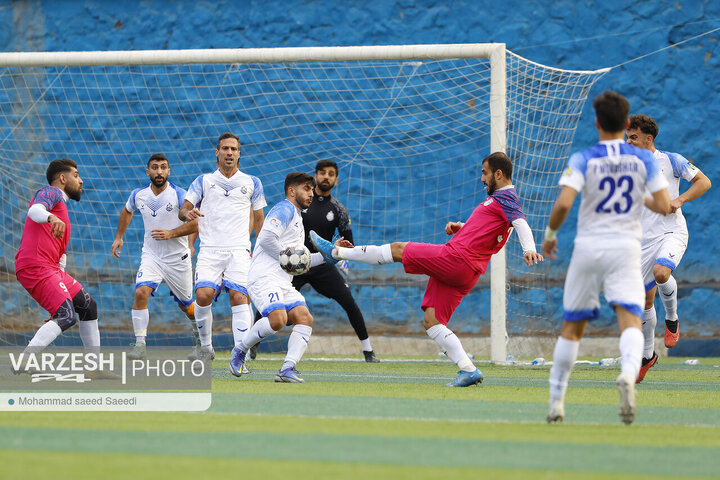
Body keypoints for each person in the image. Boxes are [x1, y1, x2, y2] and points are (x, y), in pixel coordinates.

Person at [311, 152, 544, 387]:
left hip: (456, 259)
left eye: (485, 173)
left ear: (498, 174)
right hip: (468, 270)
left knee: (398, 249)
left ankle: (336, 253)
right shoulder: (500, 202)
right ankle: (468, 369)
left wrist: (529, 249)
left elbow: (520, 222)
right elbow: (495, 232)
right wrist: (461, 227)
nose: (482, 179)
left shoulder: (507, 197)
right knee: (432, 321)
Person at [542, 92, 671, 425]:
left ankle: (556, 403)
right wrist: (636, 196)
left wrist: (550, 235)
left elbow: (564, 205)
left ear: (597, 122)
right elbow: (663, 203)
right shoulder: (644, 160)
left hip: (589, 247)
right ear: (627, 124)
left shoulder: (584, 157)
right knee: (629, 317)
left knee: (573, 326)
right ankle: (629, 374)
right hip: (626, 248)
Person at [229, 172, 347, 382]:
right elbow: (265, 238)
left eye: (312, 189)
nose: (312, 193)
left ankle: (287, 368)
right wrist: (286, 258)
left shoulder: (297, 218)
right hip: (263, 277)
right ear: (292, 191)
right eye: (307, 189)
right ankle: (240, 350)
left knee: (305, 317)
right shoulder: (284, 209)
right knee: (278, 319)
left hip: (282, 282)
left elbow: (300, 260)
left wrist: (331, 254)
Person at [626, 114, 711, 383]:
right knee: (644, 301)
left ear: (648, 139)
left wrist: (680, 199)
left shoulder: (671, 160)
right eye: (627, 137)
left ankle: (672, 318)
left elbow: (704, 182)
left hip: (671, 232)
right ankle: (647, 356)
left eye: (633, 137)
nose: (628, 142)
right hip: (643, 240)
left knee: (662, 272)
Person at [179, 133, 266, 367]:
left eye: (234, 149)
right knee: (203, 295)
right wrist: (187, 213)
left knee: (239, 297)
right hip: (210, 250)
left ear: (239, 154)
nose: (229, 152)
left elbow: (259, 220)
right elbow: (184, 210)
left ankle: (241, 355)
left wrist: (263, 249)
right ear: (217, 153)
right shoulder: (203, 181)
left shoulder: (252, 182)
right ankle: (206, 348)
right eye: (225, 148)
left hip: (239, 250)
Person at [111, 153, 200, 360]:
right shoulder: (138, 195)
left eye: (163, 167)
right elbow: (127, 211)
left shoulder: (179, 195)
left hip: (177, 259)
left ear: (169, 171)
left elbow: (195, 223)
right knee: (141, 292)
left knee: (187, 306)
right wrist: (119, 237)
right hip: (151, 256)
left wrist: (174, 235)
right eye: (155, 167)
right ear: (148, 171)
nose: (159, 172)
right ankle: (140, 344)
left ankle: (201, 342)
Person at [292, 159, 378, 362]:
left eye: (330, 174)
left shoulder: (338, 209)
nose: (326, 177)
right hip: (298, 264)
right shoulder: (301, 204)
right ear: (315, 177)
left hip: (323, 265)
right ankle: (252, 348)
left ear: (336, 180)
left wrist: (342, 258)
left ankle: (368, 351)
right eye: (322, 173)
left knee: (349, 301)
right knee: (272, 300)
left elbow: (349, 242)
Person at [14, 159, 101, 358]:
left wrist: (57, 296)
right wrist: (51, 217)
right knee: (67, 316)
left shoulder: (62, 211)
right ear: (62, 178)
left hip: (52, 270)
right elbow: (34, 210)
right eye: (76, 175)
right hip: (35, 266)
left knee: (88, 306)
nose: (81, 181)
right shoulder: (51, 193)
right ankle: (25, 360)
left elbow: (61, 258)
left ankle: (94, 366)